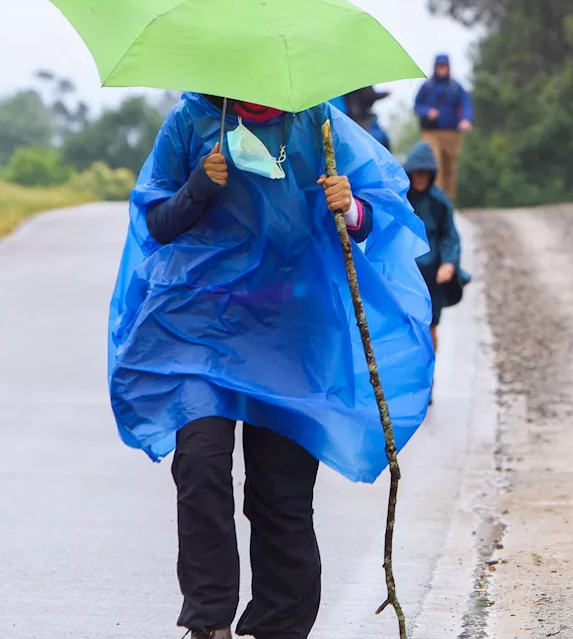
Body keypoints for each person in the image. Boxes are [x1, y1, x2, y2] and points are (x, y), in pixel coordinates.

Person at [108, 93, 435, 639]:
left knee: (280, 495)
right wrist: (197, 189)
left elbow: (380, 218)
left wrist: (350, 207)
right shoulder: (192, 123)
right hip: (200, 329)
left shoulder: (320, 123)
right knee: (202, 467)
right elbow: (158, 225)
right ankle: (208, 620)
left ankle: (279, 627)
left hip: (292, 330)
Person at [401, 140, 468, 350]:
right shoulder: (399, 197)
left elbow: (450, 235)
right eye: (417, 172)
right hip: (404, 271)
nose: (420, 178)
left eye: (425, 173)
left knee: (430, 326)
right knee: (402, 325)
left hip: (432, 274)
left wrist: (449, 263)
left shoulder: (439, 201)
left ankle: (427, 375)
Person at [413, 53, 473, 198]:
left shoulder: (455, 87)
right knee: (435, 164)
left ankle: (448, 200)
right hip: (431, 132)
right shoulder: (427, 86)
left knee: (450, 168)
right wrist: (427, 111)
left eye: (444, 66)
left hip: (452, 132)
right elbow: (417, 105)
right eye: (439, 66)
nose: (442, 69)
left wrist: (466, 119)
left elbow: (466, 104)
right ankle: (435, 198)